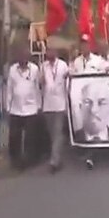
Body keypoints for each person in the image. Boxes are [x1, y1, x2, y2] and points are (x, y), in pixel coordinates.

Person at [6, 44, 41, 169]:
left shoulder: (35, 69)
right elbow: (9, 89)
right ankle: (15, 159)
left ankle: (29, 159)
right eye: (21, 56)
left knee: (30, 137)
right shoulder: (12, 70)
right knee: (14, 136)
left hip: (31, 108)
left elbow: (37, 88)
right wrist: (7, 107)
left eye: (25, 56)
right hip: (16, 109)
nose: (23, 58)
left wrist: (38, 105)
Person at [40, 44, 68, 174]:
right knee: (52, 133)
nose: (49, 53)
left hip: (60, 104)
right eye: (48, 51)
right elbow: (40, 83)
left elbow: (68, 82)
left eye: (51, 50)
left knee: (57, 132)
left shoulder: (62, 65)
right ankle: (57, 156)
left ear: (56, 52)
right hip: (47, 104)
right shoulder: (43, 66)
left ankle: (54, 161)